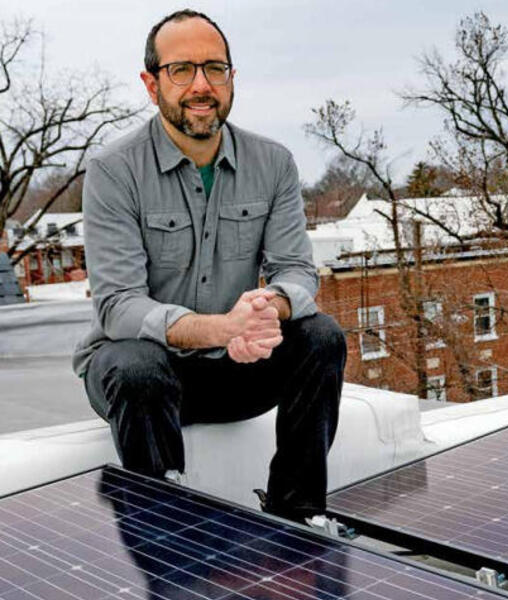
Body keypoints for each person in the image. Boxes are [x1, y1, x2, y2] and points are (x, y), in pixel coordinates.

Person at [72, 9, 346, 523]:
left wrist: (269, 310)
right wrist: (218, 327)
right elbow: (117, 306)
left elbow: (296, 271)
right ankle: (166, 530)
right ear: (151, 85)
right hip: (144, 382)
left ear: (231, 78)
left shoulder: (274, 163)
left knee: (322, 336)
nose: (201, 85)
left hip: (236, 367)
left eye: (214, 68)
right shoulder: (114, 170)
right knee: (135, 365)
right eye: (182, 70)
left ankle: (299, 515)